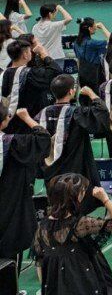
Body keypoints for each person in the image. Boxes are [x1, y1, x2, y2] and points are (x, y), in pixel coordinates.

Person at [32, 172, 112, 295]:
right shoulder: (80, 224)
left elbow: (40, 263)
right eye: (82, 192)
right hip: (84, 284)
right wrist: (105, 199)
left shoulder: (42, 227)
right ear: (76, 197)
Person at [0, 100, 49, 295]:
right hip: (10, 218)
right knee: (8, 269)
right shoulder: (14, 144)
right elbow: (43, 139)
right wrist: (27, 118)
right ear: (5, 120)